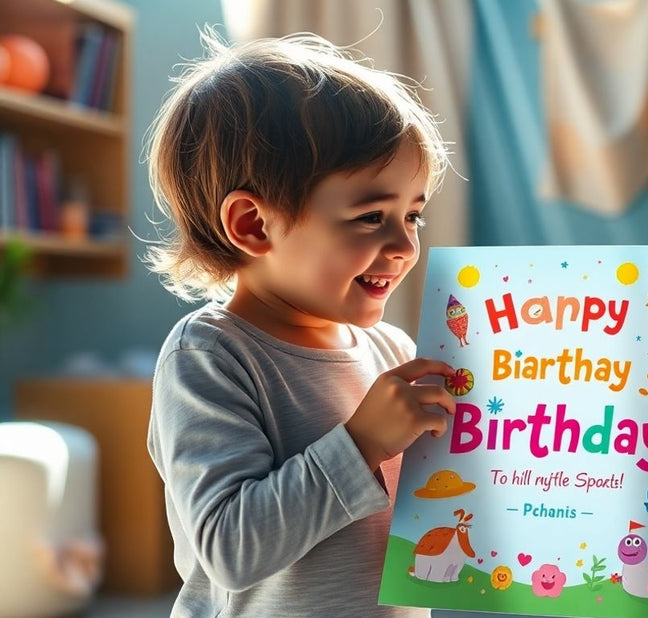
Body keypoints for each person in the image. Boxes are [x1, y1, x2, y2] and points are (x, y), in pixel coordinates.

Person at [143, 29, 456, 617]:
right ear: (253, 225)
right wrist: (362, 443)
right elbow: (230, 549)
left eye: (412, 215)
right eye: (371, 216)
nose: (404, 246)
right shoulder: (208, 356)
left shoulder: (392, 350)